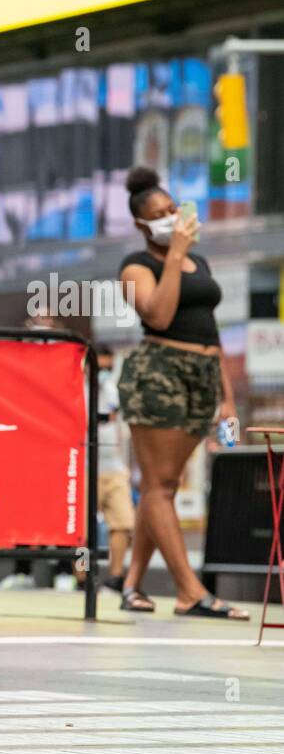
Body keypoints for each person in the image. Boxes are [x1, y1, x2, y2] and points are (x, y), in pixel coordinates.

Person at [116, 166, 245, 619]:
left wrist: (226, 398)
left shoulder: (199, 261)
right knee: (160, 485)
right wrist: (173, 257)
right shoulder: (137, 265)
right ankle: (189, 591)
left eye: (174, 209)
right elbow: (158, 314)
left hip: (203, 374)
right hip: (160, 375)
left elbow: (211, 331)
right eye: (160, 214)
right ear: (140, 224)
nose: (172, 217)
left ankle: (131, 584)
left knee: (162, 487)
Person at [95, 344, 134, 591]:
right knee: (84, 531)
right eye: (100, 367)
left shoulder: (112, 392)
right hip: (86, 468)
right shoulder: (78, 390)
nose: (104, 371)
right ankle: (82, 578)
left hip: (115, 467)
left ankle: (115, 577)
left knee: (123, 523)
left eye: (109, 367)